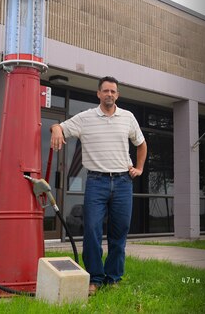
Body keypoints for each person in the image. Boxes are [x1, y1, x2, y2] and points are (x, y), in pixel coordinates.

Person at [50, 76, 147, 295]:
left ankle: (113, 279)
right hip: (96, 182)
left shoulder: (128, 117)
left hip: (123, 182)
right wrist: (56, 128)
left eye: (113, 91)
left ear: (117, 95)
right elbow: (61, 127)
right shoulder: (85, 118)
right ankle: (95, 279)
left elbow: (141, 145)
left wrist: (139, 168)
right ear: (98, 94)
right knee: (92, 230)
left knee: (118, 233)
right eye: (106, 91)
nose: (109, 94)